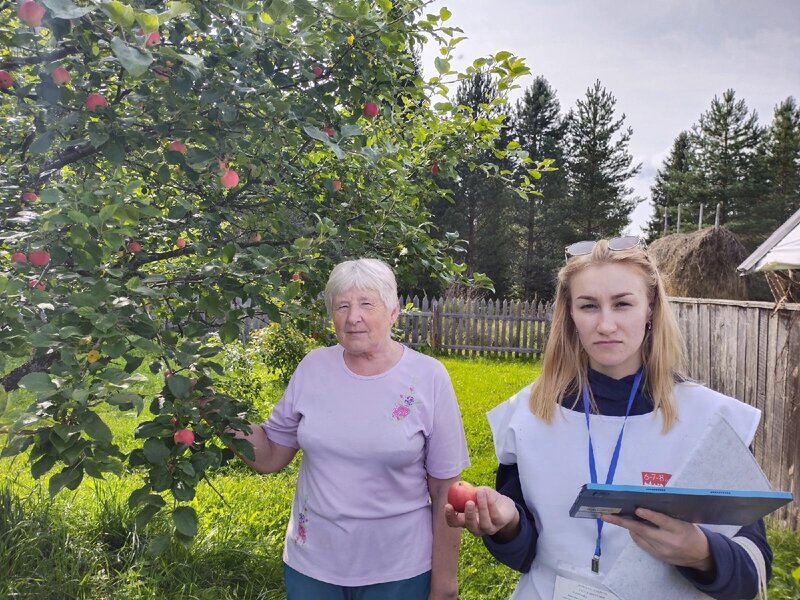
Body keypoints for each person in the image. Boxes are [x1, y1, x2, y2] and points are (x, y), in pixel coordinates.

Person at [445, 237, 772, 600]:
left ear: (650, 308)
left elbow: (753, 572)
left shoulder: (715, 421)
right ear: (569, 314)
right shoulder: (527, 415)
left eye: (622, 304)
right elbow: (526, 552)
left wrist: (702, 553)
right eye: (588, 306)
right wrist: (507, 526)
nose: (605, 325)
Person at [233, 258, 469, 600]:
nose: (352, 316)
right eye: (341, 305)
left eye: (366, 304)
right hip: (312, 565)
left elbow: (447, 489)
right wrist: (214, 410)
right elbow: (269, 455)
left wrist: (445, 585)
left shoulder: (428, 377)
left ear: (393, 311)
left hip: (397, 571)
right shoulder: (314, 368)